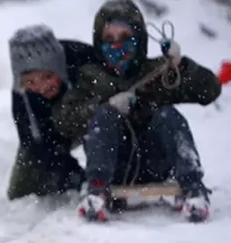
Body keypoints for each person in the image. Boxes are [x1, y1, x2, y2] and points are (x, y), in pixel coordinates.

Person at [52, 0, 222, 222]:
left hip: (155, 161)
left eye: (124, 38)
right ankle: (96, 192)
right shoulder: (90, 77)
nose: (116, 46)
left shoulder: (157, 71)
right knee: (103, 116)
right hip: (114, 166)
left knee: (167, 114)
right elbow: (63, 120)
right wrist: (105, 107)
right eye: (109, 40)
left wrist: (181, 66)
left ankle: (193, 188)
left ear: (139, 39)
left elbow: (210, 90)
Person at [6, 24, 103, 201]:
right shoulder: (22, 97)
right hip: (55, 132)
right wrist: (73, 175)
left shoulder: (86, 61)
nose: (41, 87)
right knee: (20, 191)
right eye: (30, 82)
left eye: (47, 77)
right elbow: (35, 144)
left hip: (94, 120)